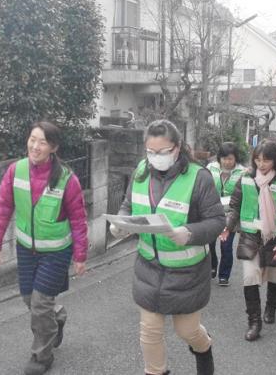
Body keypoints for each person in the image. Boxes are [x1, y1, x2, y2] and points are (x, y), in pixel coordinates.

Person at [110, 119, 224, 375]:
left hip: (187, 273)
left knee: (187, 331)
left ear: (177, 147)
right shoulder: (141, 170)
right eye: (151, 152)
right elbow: (128, 204)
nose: (155, 158)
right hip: (149, 268)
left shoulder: (199, 177)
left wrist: (189, 233)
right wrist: (120, 223)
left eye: (162, 152)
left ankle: (204, 347)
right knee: (149, 331)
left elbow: (217, 221)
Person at [0, 121, 88, 375]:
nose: (35, 146)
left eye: (42, 142)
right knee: (29, 300)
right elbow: (2, 209)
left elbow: (78, 219)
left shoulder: (67, 179)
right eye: (32, 139)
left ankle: (42, 355)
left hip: (56, 251)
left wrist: (80, 255)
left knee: (40, 303)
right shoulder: (16, 171)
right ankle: (57, 316)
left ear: (53, 147)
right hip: (26, 249)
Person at [221, 140, 276, 341]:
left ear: (275, 160)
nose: (261, 164)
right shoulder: (246, 178)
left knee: (275, 277)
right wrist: (228, 226)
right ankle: (254, 323)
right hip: (250, 238)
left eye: (266, 160)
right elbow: (234, 207)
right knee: (249, 278)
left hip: (275, 240)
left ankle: (271, 308)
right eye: (258, 159)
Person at [206, 142, 247, 286]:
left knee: (226, 246)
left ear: (235, 158)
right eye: (224, 158)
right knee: (209, 244)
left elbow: (245, 195)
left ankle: (224, 275)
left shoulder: (243, 172)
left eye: (230, 158)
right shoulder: (210, 168)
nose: (227, 162)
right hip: (212, 213)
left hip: (231, 214)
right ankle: (212, 266)